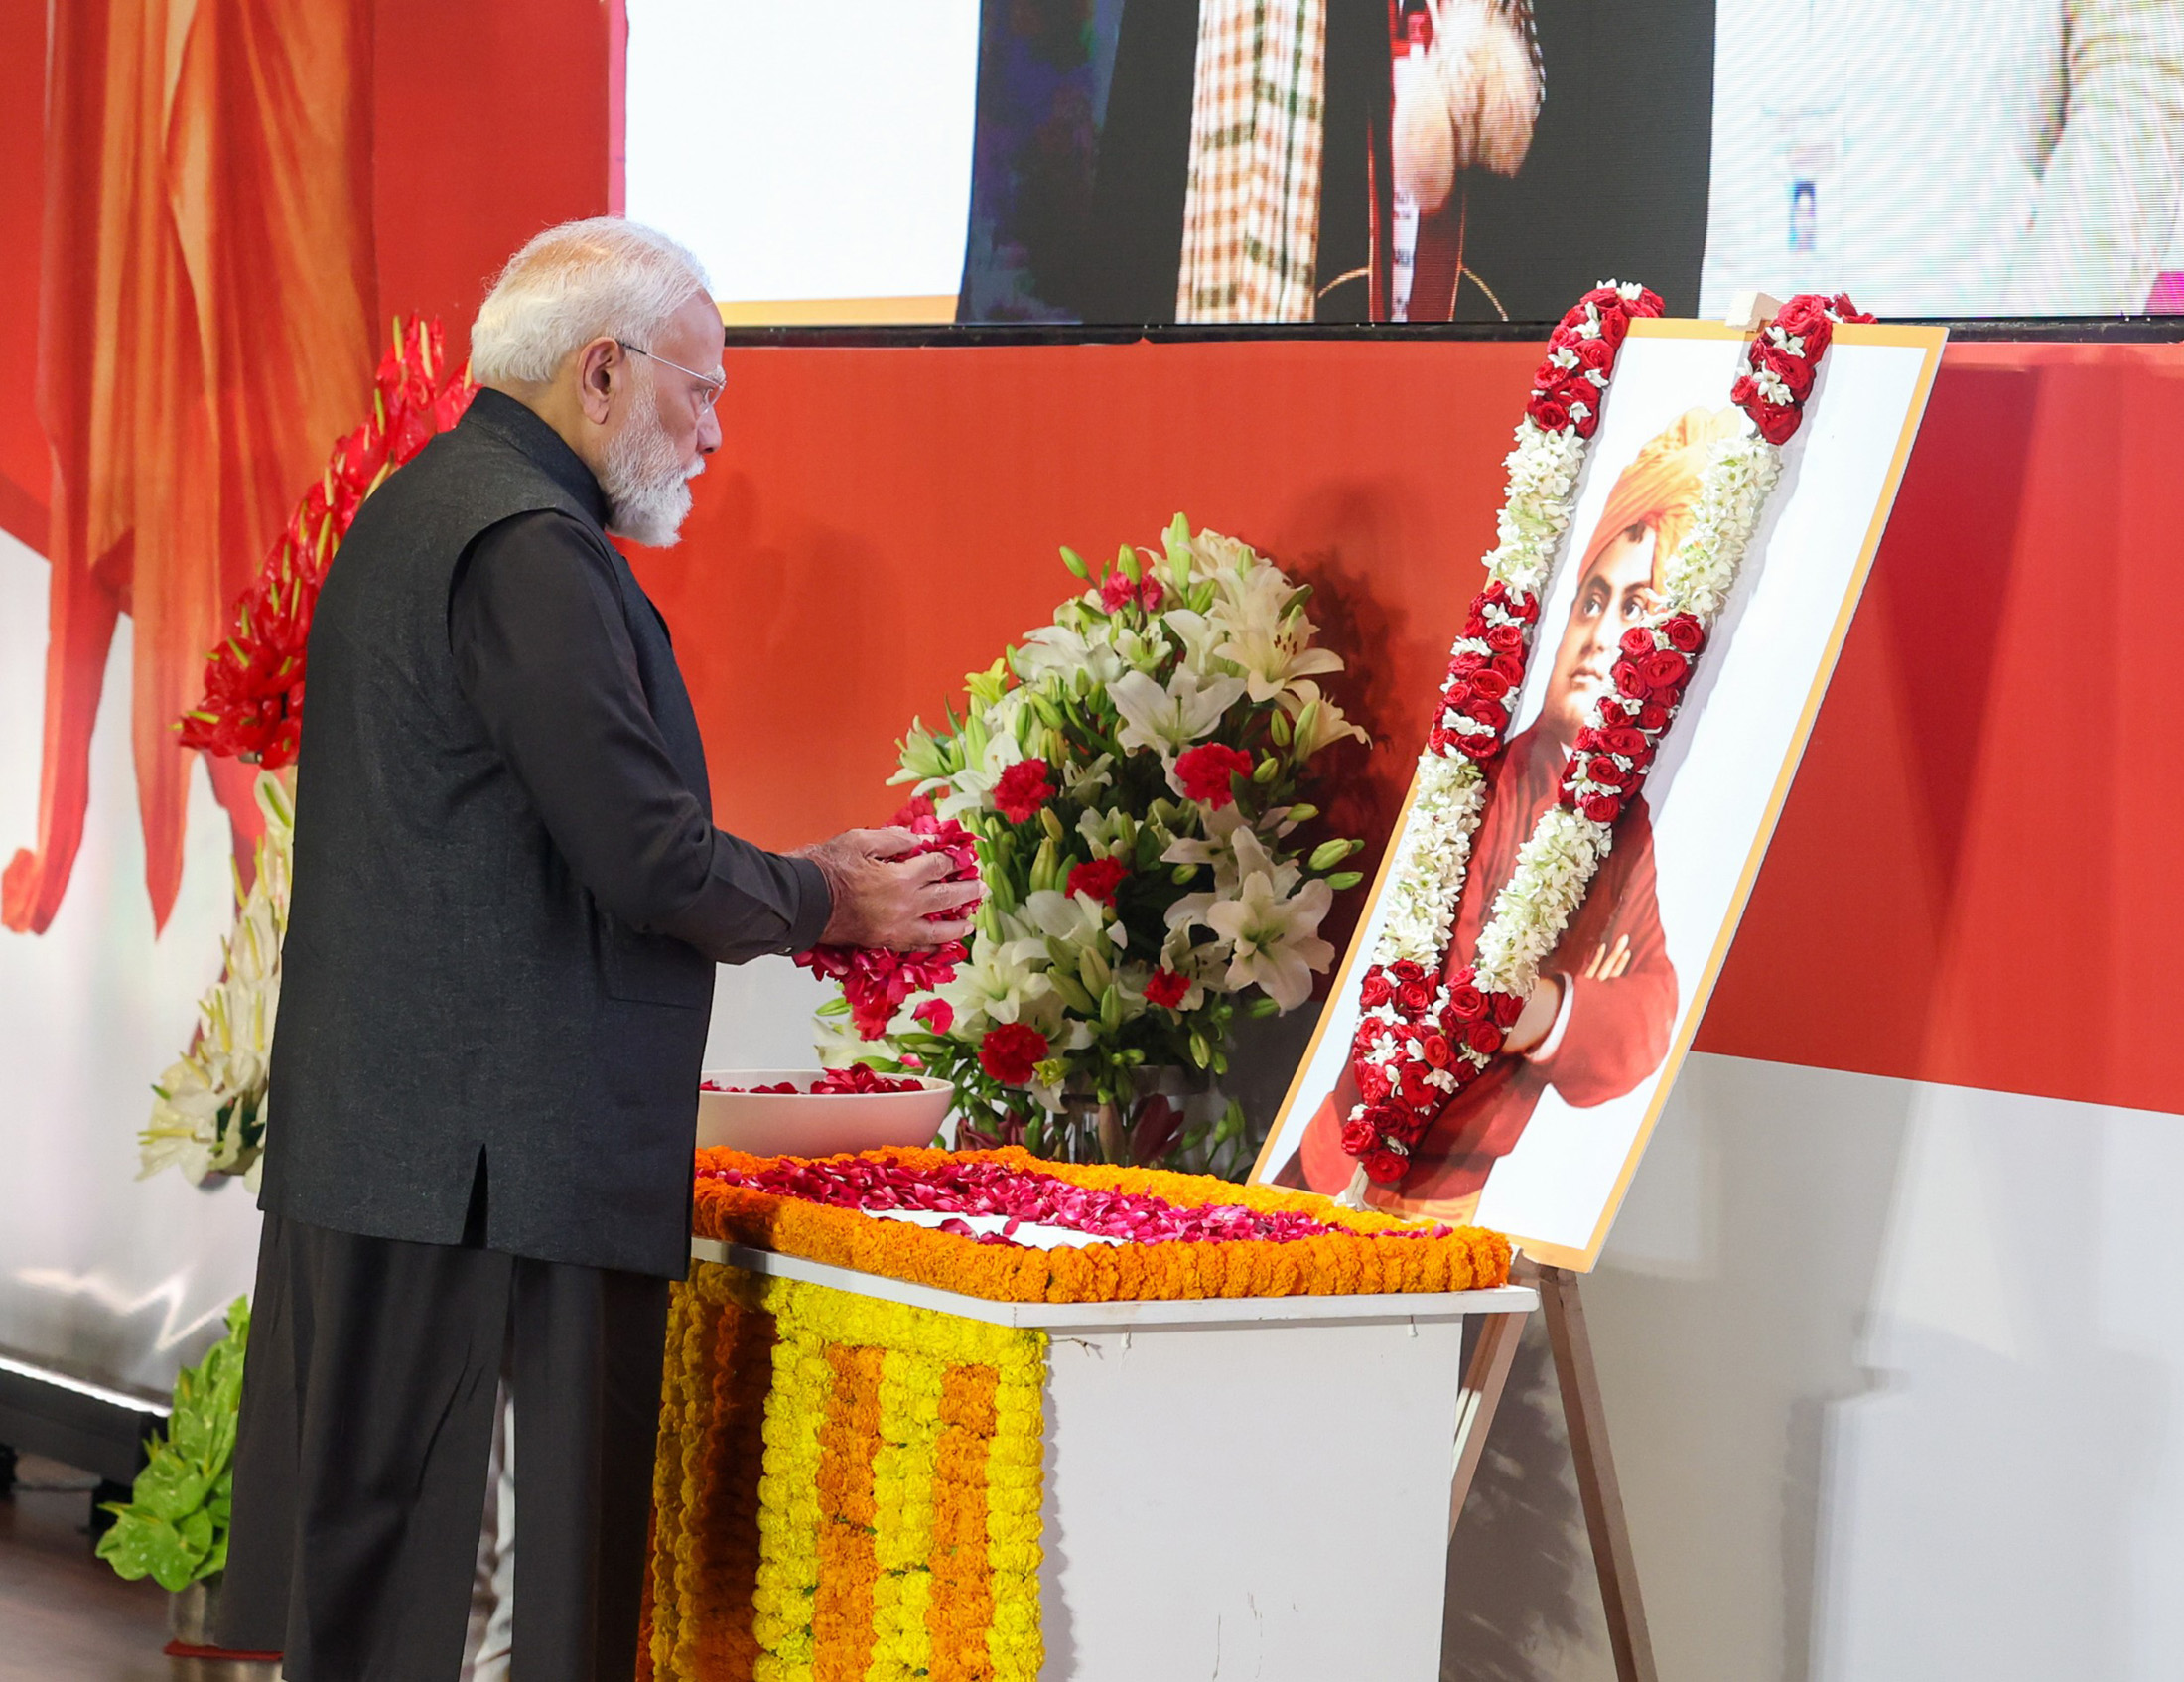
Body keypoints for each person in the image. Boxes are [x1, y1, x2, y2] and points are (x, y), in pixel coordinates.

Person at [214, 219, 975, 1682]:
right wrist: (828, 898)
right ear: (604, 372)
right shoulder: (528, 547)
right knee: (520, 1606)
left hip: (404, 1141)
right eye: (703, 389)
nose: (714, 432)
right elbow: (641, 857)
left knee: (373, 1592)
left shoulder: (427, 502)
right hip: (500, 1171)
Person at [1280, 408, 1740, 1219]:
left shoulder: (1621, 826)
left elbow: (1649, 1010)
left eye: (1636, 609)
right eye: (1593, 599)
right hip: (1330, 1160)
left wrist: (1544, 1010)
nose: (1599, 635)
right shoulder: (1477, 772)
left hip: (1456, 1205)